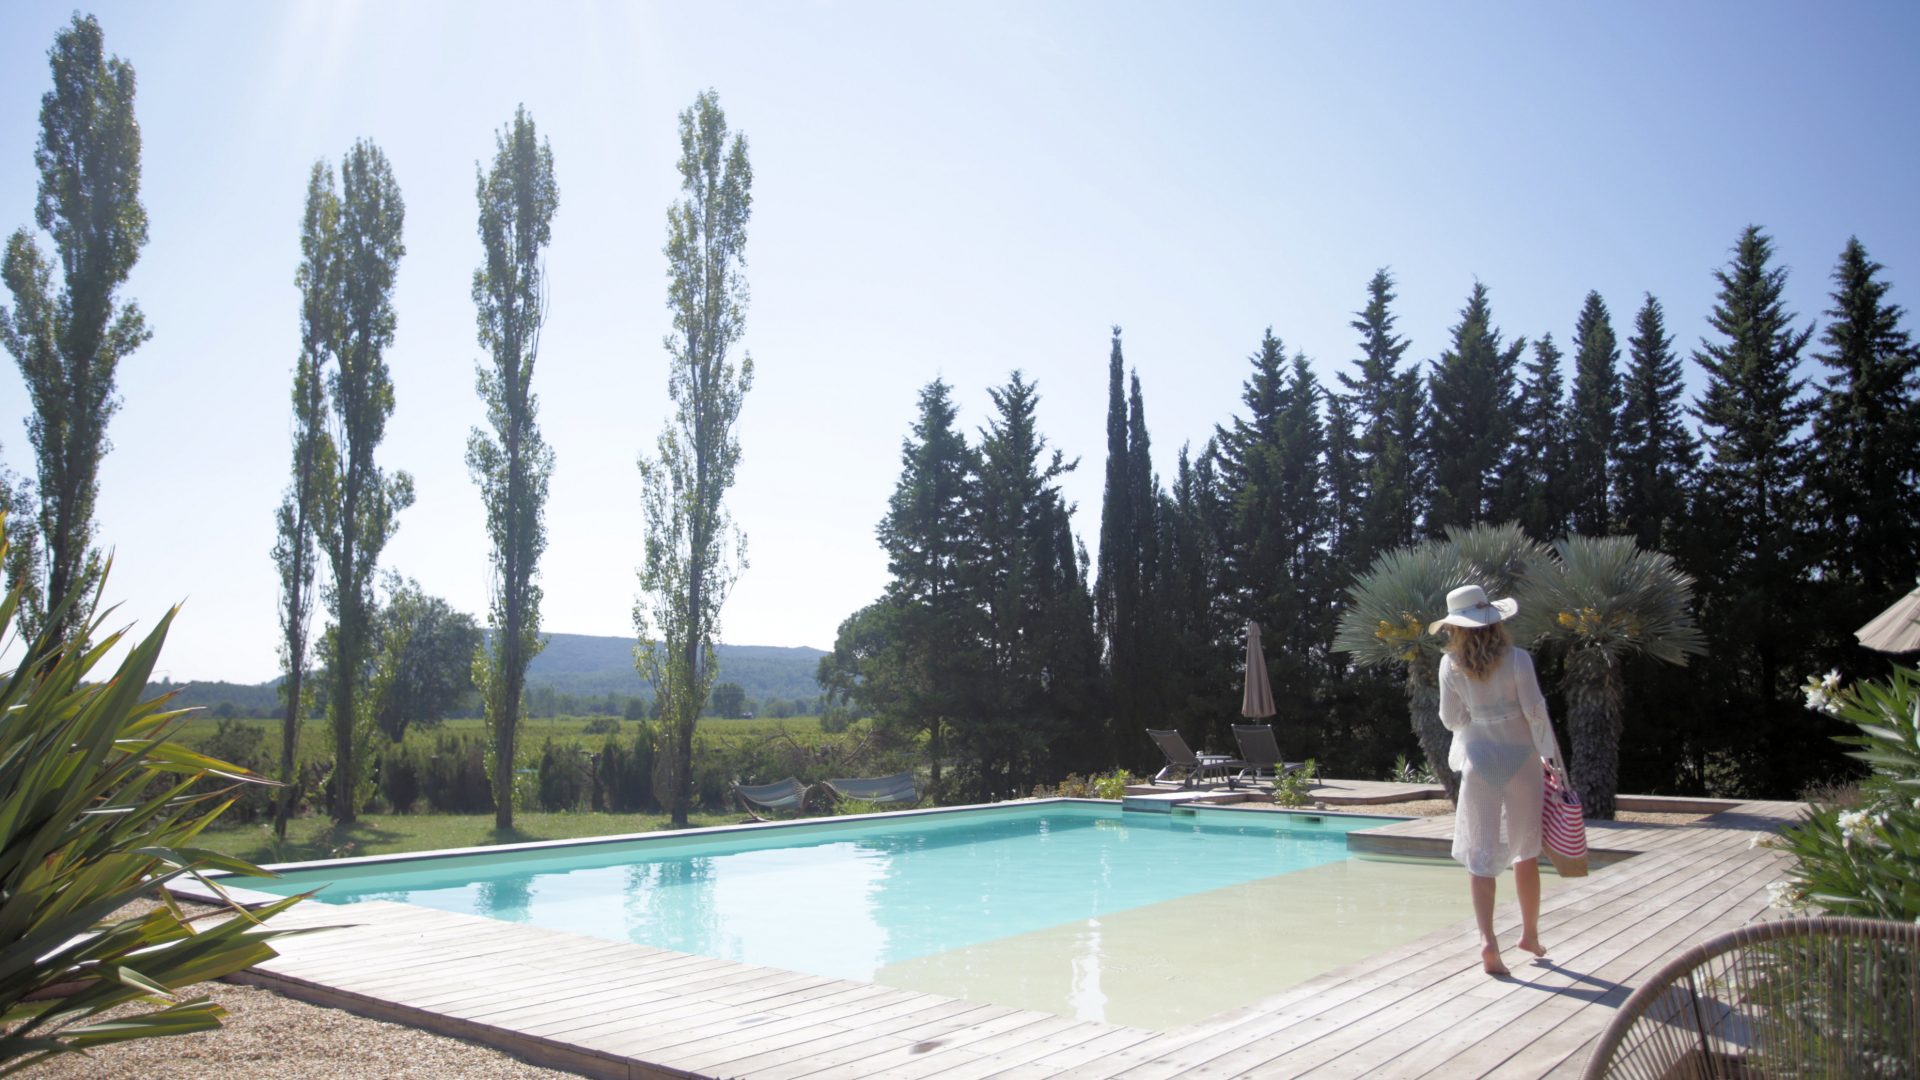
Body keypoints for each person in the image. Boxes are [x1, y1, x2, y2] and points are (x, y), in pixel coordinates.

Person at [1429, 584, 1562, 976]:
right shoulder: (1518, 659)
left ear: (1456, 627)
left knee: (1481, 856)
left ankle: (1488, 941)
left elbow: (1451, 720)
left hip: (1480, 763)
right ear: (1493, 620)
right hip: (1522, 761)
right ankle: (1530, 935)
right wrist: (1550, 757)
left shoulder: (1450, 665)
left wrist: (1478, 716)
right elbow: (1535, 712)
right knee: (1526, 852)